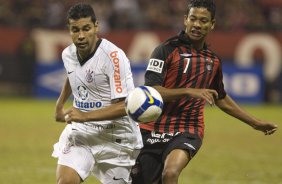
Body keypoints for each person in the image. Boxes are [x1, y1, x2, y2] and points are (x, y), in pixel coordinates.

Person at [130, 0, 278, 184]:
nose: (197, 25)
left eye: (203, 20)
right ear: (185, 20)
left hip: (188, 128)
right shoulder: (165, 50)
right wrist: (189, 92)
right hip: (152, 129)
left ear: (212, 24)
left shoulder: (213, 60)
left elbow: (220, 97)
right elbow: (152, 90)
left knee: (170, 173)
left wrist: (255, 123)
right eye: (193, 19)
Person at [52, 3, 143, 184]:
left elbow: (125, 106)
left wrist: (85, 116)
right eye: (75, 30)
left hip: (117, 138)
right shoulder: (67, 54)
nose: (81, 36)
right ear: (69, 30)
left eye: (86, 28)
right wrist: (60, 104)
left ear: (96, 26)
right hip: (81, 133)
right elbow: (73, 74)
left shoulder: (114, 57)